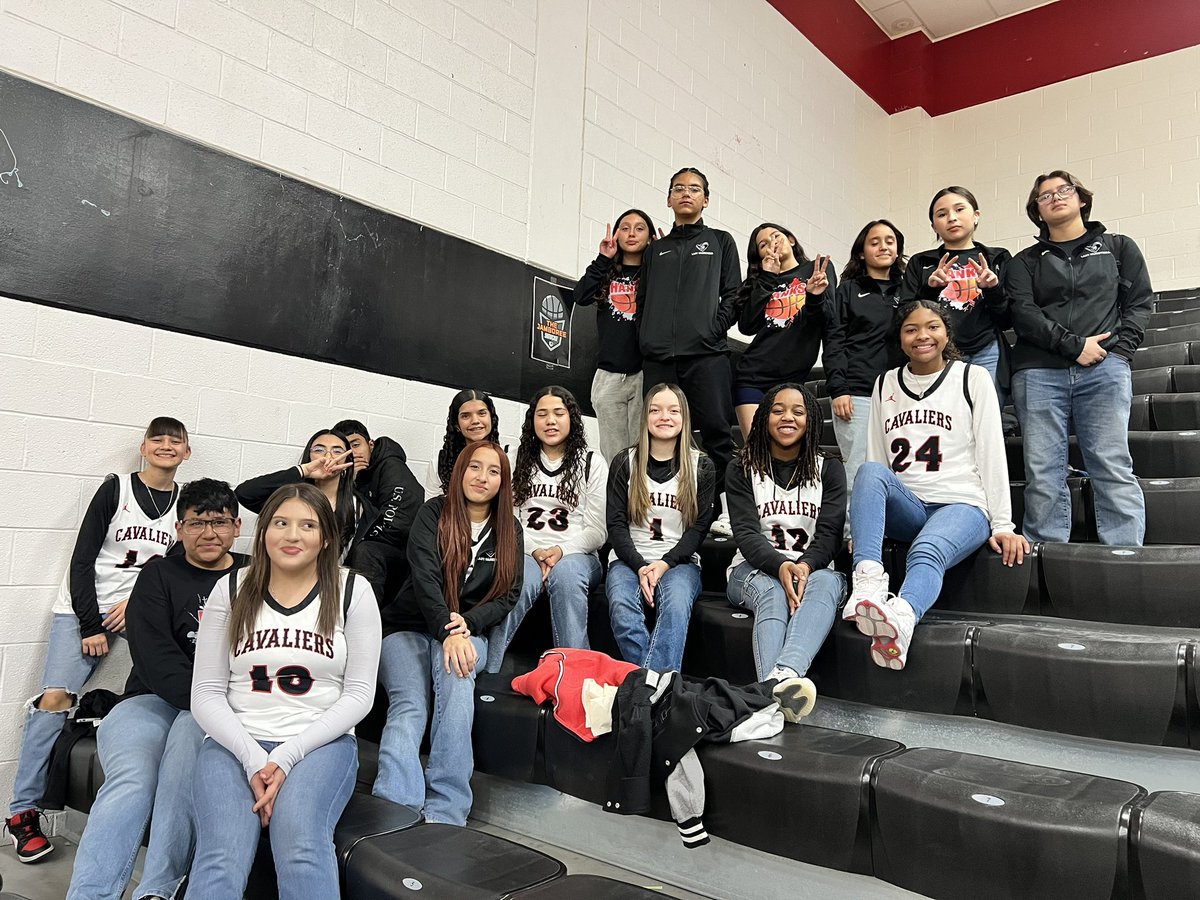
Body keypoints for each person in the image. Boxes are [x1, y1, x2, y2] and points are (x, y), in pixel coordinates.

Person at [5, 417, 190, 864]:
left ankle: (139, 810)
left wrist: (141, 603)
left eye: (175, 442)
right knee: (54, 698)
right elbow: (83, 557)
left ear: (187, 452)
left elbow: (180, 562)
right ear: (143, 447)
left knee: (151, 700)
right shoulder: (116, 489)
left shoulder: (186, 502)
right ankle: (22, 811)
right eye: (157, 440)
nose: (166, 447)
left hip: (141, 613)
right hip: (85, 607)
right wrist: (90, 624)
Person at [188, 483, 380, 898]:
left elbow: (360, 694)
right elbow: (204, 692)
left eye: (307, 525)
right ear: (263, 532)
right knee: (220, 854)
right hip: (235, 739)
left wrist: (288, 755)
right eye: (281, 523)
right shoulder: (232, 588)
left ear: (326, 537)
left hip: (319, 743)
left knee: (301, 844)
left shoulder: (352, 590)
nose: (292, 535)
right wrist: (253, 755)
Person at [66, 479, 244, 900]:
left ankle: (157, 891)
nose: (208, 533)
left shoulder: (254, 574)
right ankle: (89, 895)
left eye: (219, 522)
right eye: (196, 523)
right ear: (179, 529)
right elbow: (155, 658)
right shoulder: (158, 574)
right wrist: (208, 704)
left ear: (237, 526)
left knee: (183, 767)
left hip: (220, 709)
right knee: (134, 781)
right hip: (151, 701)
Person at [846, 300, 1029, 669]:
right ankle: (867, 581)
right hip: (910, 504)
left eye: (932, 327)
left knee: (926, 551)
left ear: (946, 332)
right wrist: (863, 527)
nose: (922, 336)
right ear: (899, 338)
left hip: (960, 504)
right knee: (868, 471)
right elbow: (878, 457)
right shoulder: (885, 382)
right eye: (911, 329)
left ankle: (901, 615)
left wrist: (1003, 524)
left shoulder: (972, 377)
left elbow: (992, 451)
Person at [374, 442, 523, 826]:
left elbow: (508, 594)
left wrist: (466, 626)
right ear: (460, 471)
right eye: (474, 467)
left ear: (503, 482)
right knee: (411, 704)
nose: (482, 477)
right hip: (407, 626)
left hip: (466, 628)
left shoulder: (510, 528)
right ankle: (395, 805)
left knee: (458, 695)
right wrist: (447, 630)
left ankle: (447, 811)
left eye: (493, 471)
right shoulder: (432, 513)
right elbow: (425, 578)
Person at [1006, 170, 1152, 546]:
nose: (1055, 197)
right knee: (1042, 470)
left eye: (1064, 190)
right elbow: (1024, 315)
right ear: (1036, 210)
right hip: (1038, 371)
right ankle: (1048, 555)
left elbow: (1139, 303)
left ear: (1082, 199)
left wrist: (1120, 353)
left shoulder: (1119, 246)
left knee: (1111, 462)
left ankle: (1124, 555)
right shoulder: (1024, 261)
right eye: (1045, 195)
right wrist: (1075, 346)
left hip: (1104, 368)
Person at [637, 167, 742, 535]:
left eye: (694, 189)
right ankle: (661, 514)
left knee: (715, 433)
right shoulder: (656, 250)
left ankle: (727, 513)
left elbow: (734, 294)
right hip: (659, 358)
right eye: (678, 188)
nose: (686, 194)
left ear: (705, 200)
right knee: (659, 435)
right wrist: (646, 337)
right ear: (668, 199)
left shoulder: (721, 241)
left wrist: (714, 329)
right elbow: (643, 299)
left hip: (707, 355)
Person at [726, 384, 847, 695]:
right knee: (773, 592)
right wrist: (780, 565)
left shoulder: (829, 469)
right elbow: (746, 534)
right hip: (752, 570)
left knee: (830, 581)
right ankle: (775, 689)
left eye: (798, 411)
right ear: (764, 417)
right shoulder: (742, 466)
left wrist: (805, 566)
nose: (787, 418)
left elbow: (830, 533)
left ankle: (779, 679)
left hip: (812, 570)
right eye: (778, 410)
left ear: (811, 420)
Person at [485, 387, 608, 672]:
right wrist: (536, 550)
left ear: (572, 418)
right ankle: (486, 669)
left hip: (577, 555)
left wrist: (559, 551)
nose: (550, 421)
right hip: (525, 550)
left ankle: (576, 674)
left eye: (558, 413)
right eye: (542, 414)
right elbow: (506, 520)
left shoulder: (591, 462)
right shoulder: (513, 457)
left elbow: (597, 531)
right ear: (532, 420)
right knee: (520, 577)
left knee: (565, 577)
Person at [606, 384, 715, 672]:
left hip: (679, 561)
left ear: (684, 417)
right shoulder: (624, 461)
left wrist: (665, 563)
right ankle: (658, 687)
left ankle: (648, 690)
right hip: (629, 560)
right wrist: (640, 565)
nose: (663, 416)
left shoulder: (701, 465)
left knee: (676, 606)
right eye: (655, 410)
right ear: (645, 417)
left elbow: (699, 528)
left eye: (673, 410)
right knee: (621, 607)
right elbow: (615, 525)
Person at [825, 220, 907, 492]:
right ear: (861, 252)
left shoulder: (908, 291)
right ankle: (854, 532)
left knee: (900, 468)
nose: (883, 246)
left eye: (889, 241)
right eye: (874, 242)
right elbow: (834, 340)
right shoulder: (847, 290)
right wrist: (839, 389)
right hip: (857, 393)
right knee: (858, 467)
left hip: (901, 393)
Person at [901, 186, 1011, 391]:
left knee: (986, 418)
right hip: (937, 353)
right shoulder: (920, 262)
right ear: (934, 226)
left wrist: (993, 289)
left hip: (986, 351)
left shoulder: (997, 258)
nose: (952, 218)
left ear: (976, 215)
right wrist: (930, 290)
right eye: (942, 214)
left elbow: (1007, 319)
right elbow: (903, 315)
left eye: (959, 210)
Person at [733, 223, 834, 441]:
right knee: (756, 451)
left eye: (776, 236)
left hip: (792, 377)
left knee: (787, 453)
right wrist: (767, 277)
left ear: (791, 239)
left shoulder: (814, 270)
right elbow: (747, 325)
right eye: (763, 244)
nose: (772, 243)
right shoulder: (762, 281)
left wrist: (815, 297)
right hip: (752, 375)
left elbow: (826, 318)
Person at [575, 209, 656, 462]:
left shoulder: (656, 274)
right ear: (616, 234)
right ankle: (618, 502)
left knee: (643, 453)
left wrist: (669, 259)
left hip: (644, 372)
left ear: (651, 237)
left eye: (639, 228)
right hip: (609, 374)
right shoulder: (607, 272)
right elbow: (580, 296)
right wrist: (603, 258)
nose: (631, 233)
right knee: (614, 457)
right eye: (625, 227)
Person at [236, 428, 375, 562]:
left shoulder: (359, 506)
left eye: (337, 451)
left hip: (333, 581)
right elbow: (244, 493)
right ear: (309, 455)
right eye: (319, 450)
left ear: (346, 459)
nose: (328, 456)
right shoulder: (291, 498)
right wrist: (303, 471)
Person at [333, 419, 423, 600]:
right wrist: (350, 483)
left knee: (366, 551)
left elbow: (400, 521)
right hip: (371, 551)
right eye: (346, 449)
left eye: (356, 445)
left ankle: (366, 621)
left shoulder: (391, 465)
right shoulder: (345, 479)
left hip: (402, 553)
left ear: (371, 444)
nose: (353, 453)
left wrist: (356, 547)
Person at [425, 389, 501, 498]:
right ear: (457, 425)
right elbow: (430, 509)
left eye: (482, 413)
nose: (475, 420)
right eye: (465, 416)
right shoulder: (439, 463)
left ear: (492, 419)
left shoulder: (508, 458)